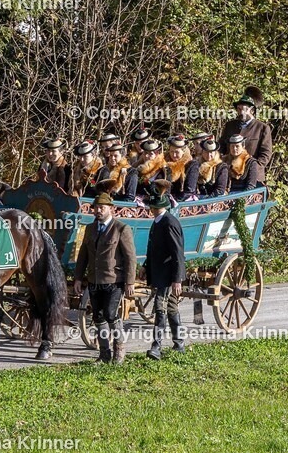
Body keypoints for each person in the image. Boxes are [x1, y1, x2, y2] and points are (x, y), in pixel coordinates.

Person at [73, 192, 136, 364]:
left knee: (110, 314)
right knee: (98, 316)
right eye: (96, 208)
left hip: (114, 281)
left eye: (102, 207)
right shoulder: (90, 229)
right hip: (94, 280)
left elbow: (130, 257)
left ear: (111, 209)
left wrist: (130, 282)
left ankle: (119, 349)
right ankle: (104, 353)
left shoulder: (121, 229)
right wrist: (78, 278)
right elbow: (83, 255)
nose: (98, 211)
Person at [144, 181, 187, 360]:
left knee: (160, 307)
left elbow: (177, 253)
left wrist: (177, 279)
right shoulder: (158, 221)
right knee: (171, 307)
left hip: (168, 275)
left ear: (154, 207)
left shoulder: (169, 222)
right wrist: (146, 266)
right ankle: (179, 343)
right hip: (160, 273)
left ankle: (156, 346)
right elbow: (154, 248)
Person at [219, 88, 273, 183]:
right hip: (229, 176)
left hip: (253, 178)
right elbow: (221, 147)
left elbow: (265, 154)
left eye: (244, 109)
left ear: (252, 110)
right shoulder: (229, 126)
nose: (241, 112)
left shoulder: (262, 128)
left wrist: (252, 169)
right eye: (239, 109)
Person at [166, 134, 199, 201]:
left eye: (177, 152)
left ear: (183, 152)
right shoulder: (165, 162)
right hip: (168, 198)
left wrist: (176, 200)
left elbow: (189, 190)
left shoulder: (192, 164)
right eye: (172, 152)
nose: (174, 155)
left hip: (184, 199)